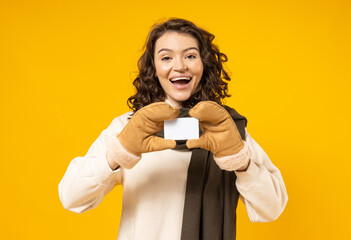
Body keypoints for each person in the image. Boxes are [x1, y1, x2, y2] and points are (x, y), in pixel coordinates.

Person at [58, 18, 288, 240]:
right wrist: (116, 154)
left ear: (203, 64)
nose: (179, 66)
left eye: (190, 56)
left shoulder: (225, 128)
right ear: (154, 68)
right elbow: (71, 198)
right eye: (166, 57)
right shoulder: (128, 126)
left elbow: (273, 208)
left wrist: (241, 161)